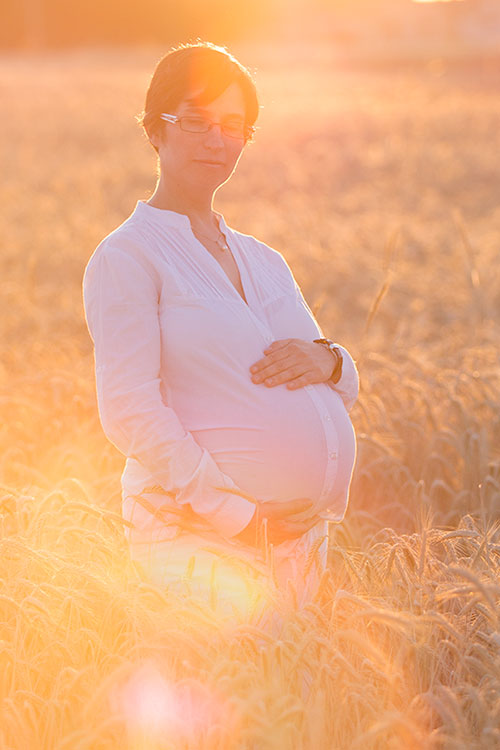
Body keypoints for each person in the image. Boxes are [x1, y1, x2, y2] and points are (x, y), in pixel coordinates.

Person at [82, 40, 359, 624]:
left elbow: (331, 377)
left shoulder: (264, 259)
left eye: (234, 125)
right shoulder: (129, 256)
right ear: (156, 130)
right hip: (199, 539)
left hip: (298, 544)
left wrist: (334, 361)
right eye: (197, 121)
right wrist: (237, 515)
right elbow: (128, 409)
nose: (217, 140)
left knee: (294, 703)